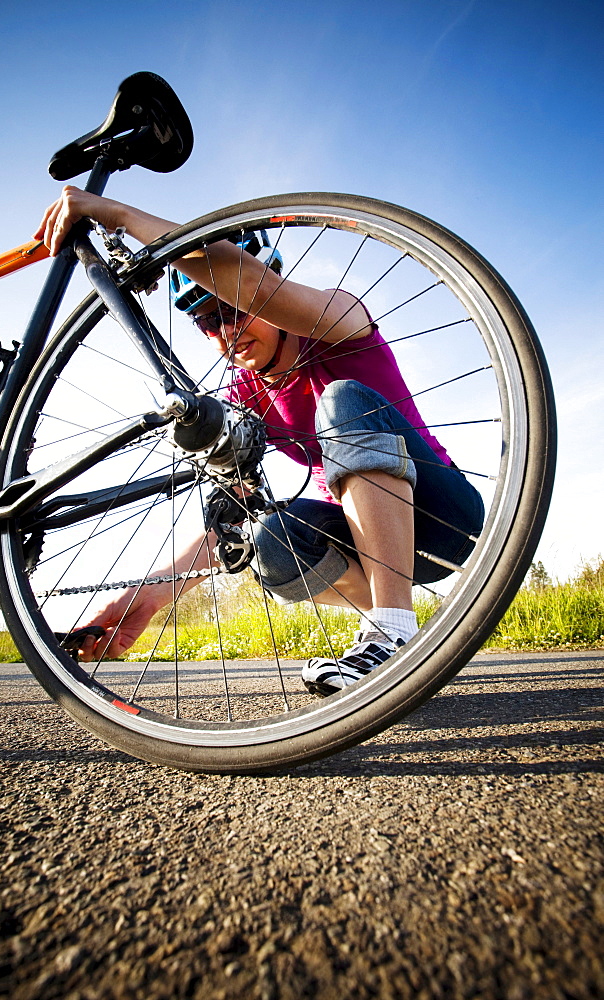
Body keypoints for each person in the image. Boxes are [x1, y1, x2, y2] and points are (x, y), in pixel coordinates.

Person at [36, 187, 484, 696]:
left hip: (447, 519)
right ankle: (389, 623)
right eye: (206, 322)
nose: (224, 333)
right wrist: (137, 602)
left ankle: (393, 632)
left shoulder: (339, 322)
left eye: (230, 312)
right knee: (265, 535)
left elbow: (251, 286)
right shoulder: (245, 395)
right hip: (373, 547)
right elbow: (228, 526)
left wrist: (115, 214)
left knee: (341, 401)